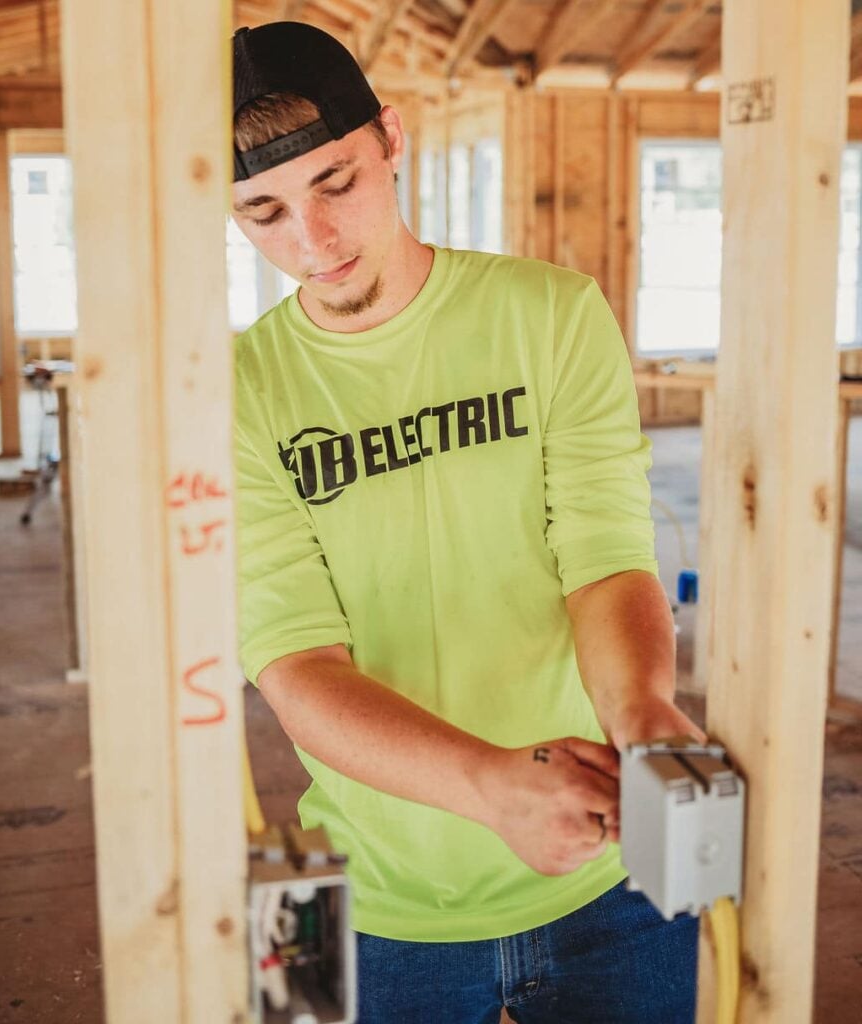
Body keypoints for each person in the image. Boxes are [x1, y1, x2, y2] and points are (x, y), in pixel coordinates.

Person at [232, 20, 706, 1024]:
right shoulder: (232, 393)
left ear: (393, 141)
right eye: (263, 211)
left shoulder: (554, 314)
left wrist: (645, 715)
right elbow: (297, 668)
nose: (310, 243)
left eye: (336, 184)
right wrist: (489, 787)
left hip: (610, 855)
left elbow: (607, 558)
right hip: (361, 890)